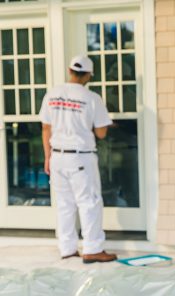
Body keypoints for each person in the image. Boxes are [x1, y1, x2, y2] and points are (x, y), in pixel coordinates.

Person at [40, 55, 117, 264]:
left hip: (57, 156)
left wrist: (47, 157)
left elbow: (46, 128)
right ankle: (92, 248)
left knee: (65, 204)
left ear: (69, 70)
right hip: (80, 157)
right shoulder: (92, 98)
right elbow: (101, 133)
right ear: (89, 75)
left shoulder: (52, 95)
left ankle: (67, 248)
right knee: (89, 202)